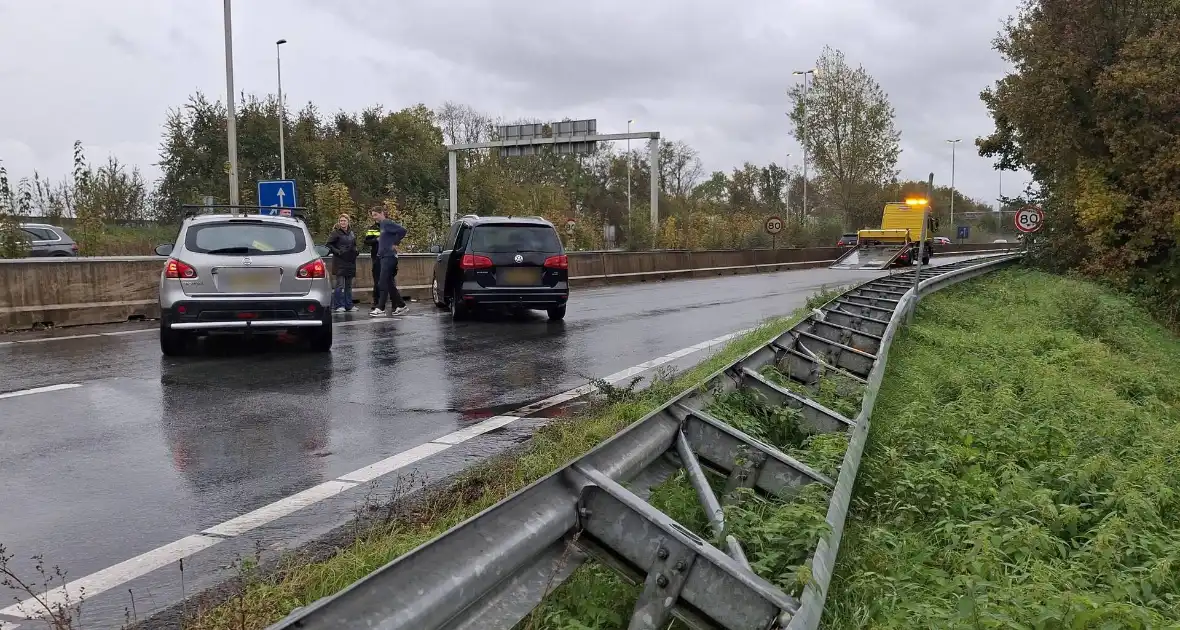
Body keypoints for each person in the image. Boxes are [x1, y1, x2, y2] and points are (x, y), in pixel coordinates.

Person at [368, 205, 409, 317]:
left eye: (376, 215)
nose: (374, 218)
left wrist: (395, 243)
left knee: (382, 282)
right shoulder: (382, 225)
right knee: (389, 283)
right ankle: (401, 305)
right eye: (373, 216)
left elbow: (403, 230)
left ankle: (380, 308)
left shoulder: (387, 223)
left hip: (389, 256)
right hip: (383, 256)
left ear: (382, 213)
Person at [325, 214, 359, 312]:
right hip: (340, 261)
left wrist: (356, 250)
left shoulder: (351, 233)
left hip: (350, 261)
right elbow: (328, 245)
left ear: (348, 222)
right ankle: (338, 305)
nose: (342, 222)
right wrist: (337, 251)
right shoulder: (335, 233)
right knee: (340, 284)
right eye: (341, 221)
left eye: (344, 220)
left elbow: (354, 244)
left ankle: (349, 305)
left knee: (349, 285)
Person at [362, 218, 382, 308]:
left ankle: (394, 302)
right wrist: (376, 240)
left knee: (390, 280)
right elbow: (366, 241)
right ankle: (376, 301)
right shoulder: (372, 228)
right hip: (376, 257)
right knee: (377, 280)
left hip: (388, 256)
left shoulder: (389, 226)